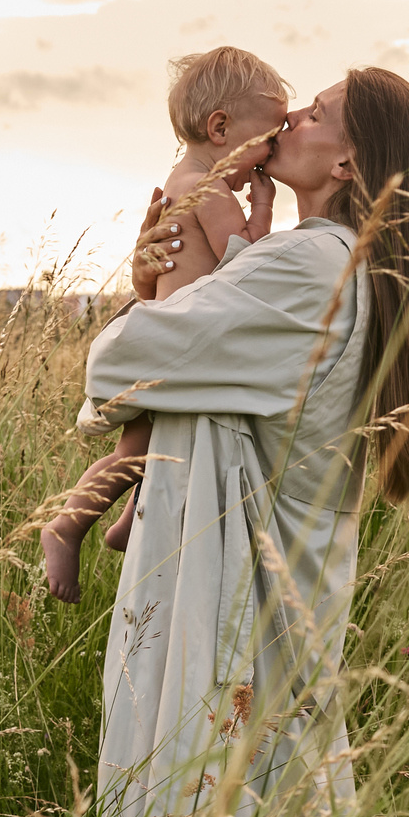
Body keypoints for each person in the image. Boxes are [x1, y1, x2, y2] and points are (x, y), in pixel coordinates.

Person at [79, 67, 409, 817]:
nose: (291, 114)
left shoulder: (308, 266)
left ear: (349, 165)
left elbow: (118, 365)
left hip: (240, 603)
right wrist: (160, 286)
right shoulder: (335, 266)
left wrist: (144, 294)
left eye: (317, 112)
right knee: (283, 810)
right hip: (287, 591)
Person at [41, 47, 289, 603]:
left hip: (167, 332)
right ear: (220, 127)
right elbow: (243, 259)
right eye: (269, 138)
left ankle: (131, 518)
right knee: (139, 449)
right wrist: (266, 208)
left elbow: (156, 280)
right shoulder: (210, 188)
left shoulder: (182, 180)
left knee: (153, 443)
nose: (272, 155)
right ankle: (67, 525)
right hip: (177, 346)